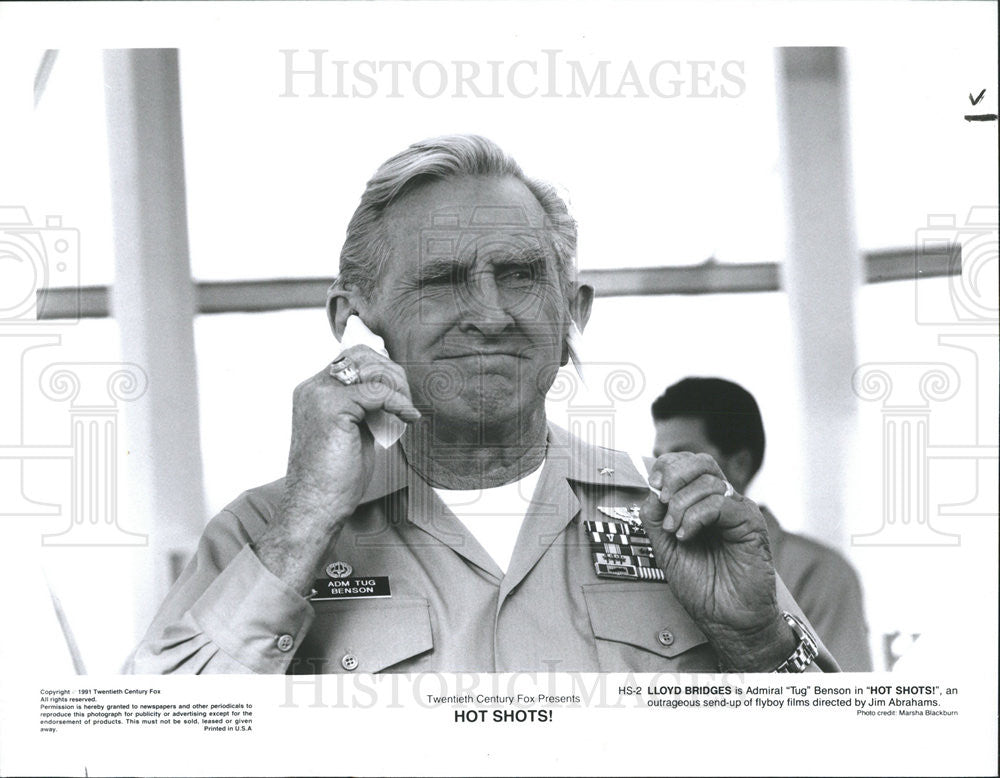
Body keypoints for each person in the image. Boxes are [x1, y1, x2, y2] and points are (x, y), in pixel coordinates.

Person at [128, 135, 838, 674]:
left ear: (573, 314)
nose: (491, 314)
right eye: (441, 280)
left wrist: (758, 642)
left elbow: (848, 759)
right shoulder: (262, 531)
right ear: (356, 321)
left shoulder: (680, 526)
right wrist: (304, 526)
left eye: (521, 275)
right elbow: (142, 752)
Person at [651, 377, 873, 671]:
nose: (666, 471)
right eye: (657, 458)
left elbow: (844, 698)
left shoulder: (821, 573)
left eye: (683, 456)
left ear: (740, 464)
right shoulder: (657, 556)